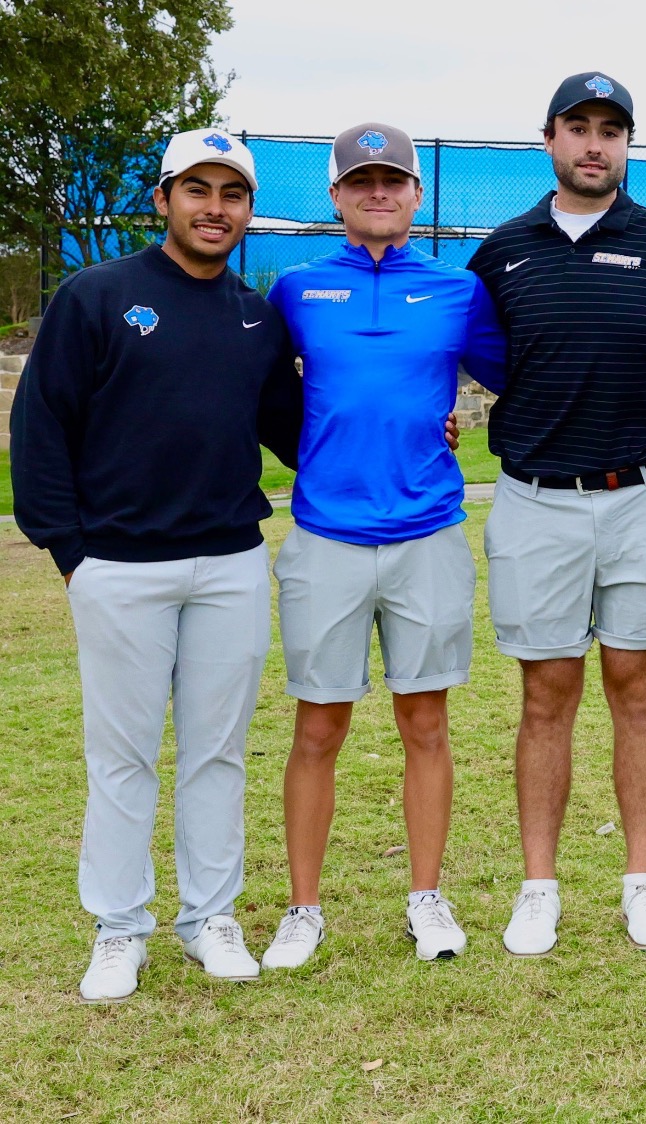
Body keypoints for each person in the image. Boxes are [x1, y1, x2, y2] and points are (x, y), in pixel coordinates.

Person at [11, 130, 302, 1000]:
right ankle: (118, 926)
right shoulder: (98, 295)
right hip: (118, 568)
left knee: (217, 751)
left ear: (249, 211)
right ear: (164, 198)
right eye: (198, 190)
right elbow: (41, 427)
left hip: (230, 565)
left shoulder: (256, 315)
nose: (216, 209)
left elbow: (296, 433)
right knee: (123, 755)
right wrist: (70, 551)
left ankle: (211, 916)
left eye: (233, 195)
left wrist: (414, 429)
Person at [467, 73, 646, 957]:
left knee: (639, 691)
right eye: (578, 127)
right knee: (546, 695)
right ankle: (539, 887)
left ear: (627, 147)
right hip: (539, 501)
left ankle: (642, 883)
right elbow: (494, 357)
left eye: (611, 130)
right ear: (549, 139)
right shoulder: (503, 252)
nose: (594, 144)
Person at [257, 122, 507, 970]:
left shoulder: (457, 292)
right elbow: (252, 390)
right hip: (324, 536)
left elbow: (525, 375)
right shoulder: (294, 289)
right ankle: (302, 909)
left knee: (425, 721)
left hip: (427, 533)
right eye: (361, 180)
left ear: (415, 194)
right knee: (317, 726)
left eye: (392, 179)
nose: (378, 193)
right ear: (335, 195)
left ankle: (426, 900)